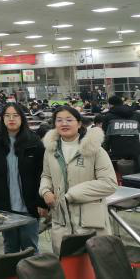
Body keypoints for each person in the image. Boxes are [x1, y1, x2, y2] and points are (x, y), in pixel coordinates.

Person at [39, 106, 118, 254]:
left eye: (69, 120)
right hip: (61, 221)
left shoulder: (95, 149)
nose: (64, 123)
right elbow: (46, 175)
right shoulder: (50, 150)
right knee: (66, 262)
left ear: (79, 123)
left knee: (94, 263)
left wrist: (71, 195)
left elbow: (109, 183)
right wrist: (45, 191)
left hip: (90, 223)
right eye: (59, 120)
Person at [0, 103, 45, 253]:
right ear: (2, 119)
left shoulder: (34, 142)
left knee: (30, 247)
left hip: (29, 206)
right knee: (10, 246)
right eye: (7, 116)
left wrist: (41, 201)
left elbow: (42, 173)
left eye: (15, 115)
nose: (11, 119)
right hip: (5, 206)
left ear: (22, 118)